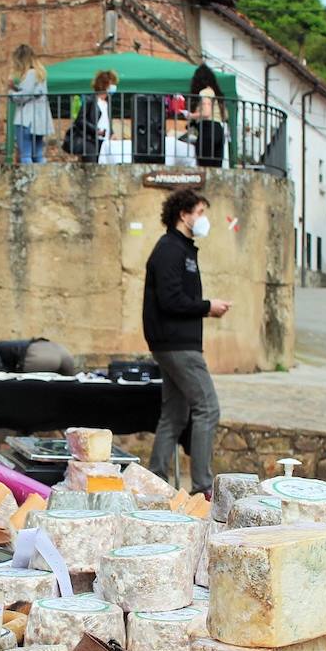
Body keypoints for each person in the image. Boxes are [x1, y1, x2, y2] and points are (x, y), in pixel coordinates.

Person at [142, 188, 230, 495]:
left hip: (175, 342)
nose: (204, 219)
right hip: (176, 343)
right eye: (200, 212)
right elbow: (170, 300)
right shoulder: (170, 249)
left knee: (175, 415)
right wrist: (207, 306)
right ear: (184, 215)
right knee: (208, 408)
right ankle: (202, 486)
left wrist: (205, 307)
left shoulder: (182, 248)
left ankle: (154, 481)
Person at [8, 45, 53, 164]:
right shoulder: (40, 74)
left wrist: (11, 92)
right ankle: (42, 175)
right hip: (39, 121)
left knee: (25, 155)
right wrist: (16, 88)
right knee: (38, 155)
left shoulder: (30, 74)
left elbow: (23, 97)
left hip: (26, 120)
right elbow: (32, 93)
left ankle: (29, 176)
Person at [64, 69, 117, 163]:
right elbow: (80, 120)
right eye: (111, 83)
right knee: (92, 165)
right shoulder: (90, 100)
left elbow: (106, 121)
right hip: (90, 140)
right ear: (104, 85)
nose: (113, 87)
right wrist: (95, 130)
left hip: (104, 141)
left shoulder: (107, 103)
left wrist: (111, 133)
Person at [188, 64, 227, 168]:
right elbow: (225, 116)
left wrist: (191, 115)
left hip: (208, 129)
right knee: (216, 168)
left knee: (204, 166)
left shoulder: (205, 92)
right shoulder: (216, 94)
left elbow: (206, 113)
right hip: (219, 130)